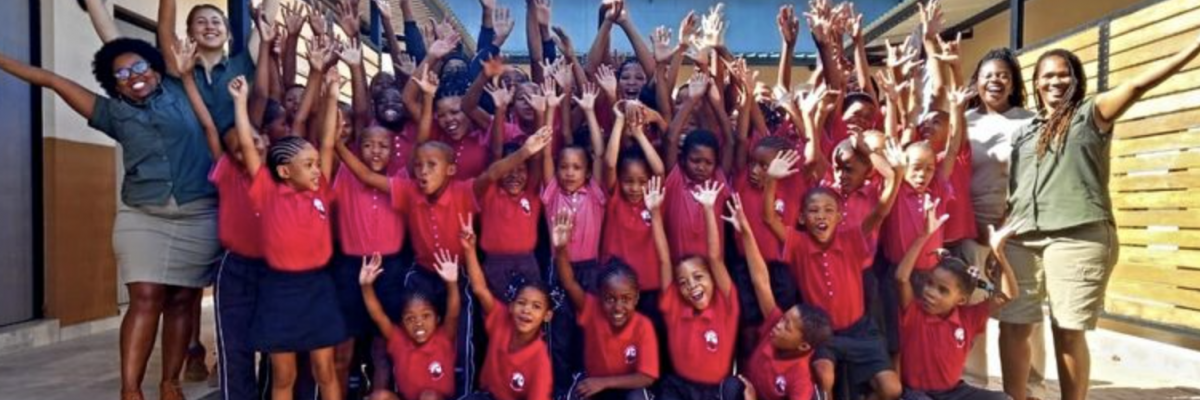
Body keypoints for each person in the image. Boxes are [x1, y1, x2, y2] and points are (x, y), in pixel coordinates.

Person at [1, 21, 225, 396]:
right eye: (122, 73)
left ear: (154, 69)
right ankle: (130, 389)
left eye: (139, 68)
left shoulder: (182, 87)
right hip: (143, 215)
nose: (133, 77)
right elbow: (50, 79)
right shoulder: (110, 112)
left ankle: (170, 383)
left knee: (184, 298)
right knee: (146, 296)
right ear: (113, 82)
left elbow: (166, 25)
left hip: (198, 211)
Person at [999, 33, 1200, 400]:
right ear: (1036, 82)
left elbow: (1139, 83)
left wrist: (1193, 46)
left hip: (1077, 235)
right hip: (1021, 237)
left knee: (1067, 329)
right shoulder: (1025, 132)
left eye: (1064, 74)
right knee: (1013, 324)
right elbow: (1017, 185)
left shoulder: (1092, 113)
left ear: (1076, 79)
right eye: (1047, 75)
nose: (1055, 81)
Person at [958, 48, 1047, 400]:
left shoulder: (1030, 121)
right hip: (971, 230)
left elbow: (1037, 176)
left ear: (1013, 83)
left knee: (1022, 314)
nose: (996, 80)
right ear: (976, 81)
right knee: (972, 311)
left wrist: (1007, 224)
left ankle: (1031, 389)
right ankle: (972, 386)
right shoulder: (962, 121)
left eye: (1004, 75)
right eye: (988, 74)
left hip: (1017, 229)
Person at [727, 193, 834, 400]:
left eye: (787, 327)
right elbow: (761, 282)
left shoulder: (800, 379)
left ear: (802, 346)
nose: (778, 325)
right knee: (731, 387)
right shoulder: (775, 324)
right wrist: (746, 231)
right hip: (752, 391)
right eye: (784, 319)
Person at [552, 209, 660, 400]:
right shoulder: (592, 309)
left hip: (624, 388)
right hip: (594, 386)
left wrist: (604, 382)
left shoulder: (643, 326)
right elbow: (569, 282)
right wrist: (561, 249)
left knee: (638, 397)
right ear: (600, 297)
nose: (618, 307)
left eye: (626, 299)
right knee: (576, 393)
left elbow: (647, 377)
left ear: (636, 298)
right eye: (610, 299)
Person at [652, 179, 745, 400]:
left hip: (715, 392)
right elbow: (665, 260)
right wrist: (655, 212)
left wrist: (708, 208)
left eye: (698, 277)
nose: (691, 286)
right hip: (681, 389)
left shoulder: (726, 305)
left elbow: (714, 256)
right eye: (683, 282)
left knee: (734, 386)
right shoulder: (675, 306)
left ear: (713, 278)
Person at [461, 214, 555, 400]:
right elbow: (480, 289)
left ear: (547, 315)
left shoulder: (540, 361)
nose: (527, 310)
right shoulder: (501, 318)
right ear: (510, 306)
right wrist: (470, 250)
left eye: (536, 306)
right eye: (521, 303)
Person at [360, 250, 460, 400]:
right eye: (410, 318)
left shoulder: (443, 338)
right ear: (402, 323)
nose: (419, 323)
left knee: (429, 396)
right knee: (379, 397)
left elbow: (453, 313)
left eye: (426, 316)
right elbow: (378, 316)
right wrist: (366, 286)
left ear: (438, 319)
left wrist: (452, 283)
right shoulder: (399, 340)